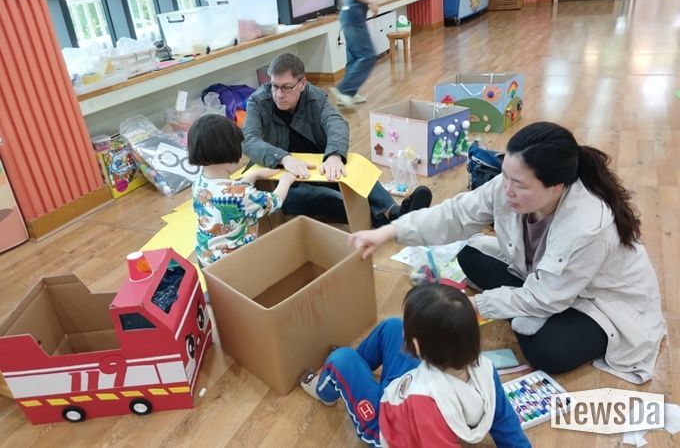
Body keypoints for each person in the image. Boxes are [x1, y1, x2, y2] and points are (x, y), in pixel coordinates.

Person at [349, 121, 666, 384]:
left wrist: (475, 306)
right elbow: (455, 215)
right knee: (469, 255)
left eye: (520, 184)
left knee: (547, 351)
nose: (507, 190)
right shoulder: (509, 185)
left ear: (556, 186)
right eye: (506, 176)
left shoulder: (587, 225)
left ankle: (530, 312)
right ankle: (522, 305)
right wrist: (389, 232)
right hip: (547, 280)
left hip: (600, 301)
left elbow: (548, 297)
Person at [299, 283, 531, 447]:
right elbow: (505, 423)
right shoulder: (486, 370)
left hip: (385, 426)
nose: (405, 331)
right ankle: (355, 369)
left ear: (418, 347)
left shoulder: (425, 403)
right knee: (392, 326)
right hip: (414, 386)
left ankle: (326, 390)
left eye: (409, 331)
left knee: (341, 359)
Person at [243, 52, 432, 228]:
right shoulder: (257, 101)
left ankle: (393, 211)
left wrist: (334, 155)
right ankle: (389, 220)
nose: (278, 94)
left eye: (286, 87)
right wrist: (283, 158)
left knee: (357, 170)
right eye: (274, 86)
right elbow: (249, 139)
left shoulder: (315, 97)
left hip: (316, 169)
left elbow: (336, 123)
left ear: (302, 83)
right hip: (279, 181)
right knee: (326, 198)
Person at [188, 114, 296, 267]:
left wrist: (253, 175)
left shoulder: (199, 182)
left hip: (206, 258)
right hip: (233, 264)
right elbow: (274, 202)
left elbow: (231, 192)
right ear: (230, 151)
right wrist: (286, 180)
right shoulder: (242, 195)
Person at [328, 0, 378, 107]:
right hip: (353, 11)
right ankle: (344, 90)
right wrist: (370, 0)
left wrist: (370, 0)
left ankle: (349, 93)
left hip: (354, 11)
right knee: (368, 56)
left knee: (355, 56)